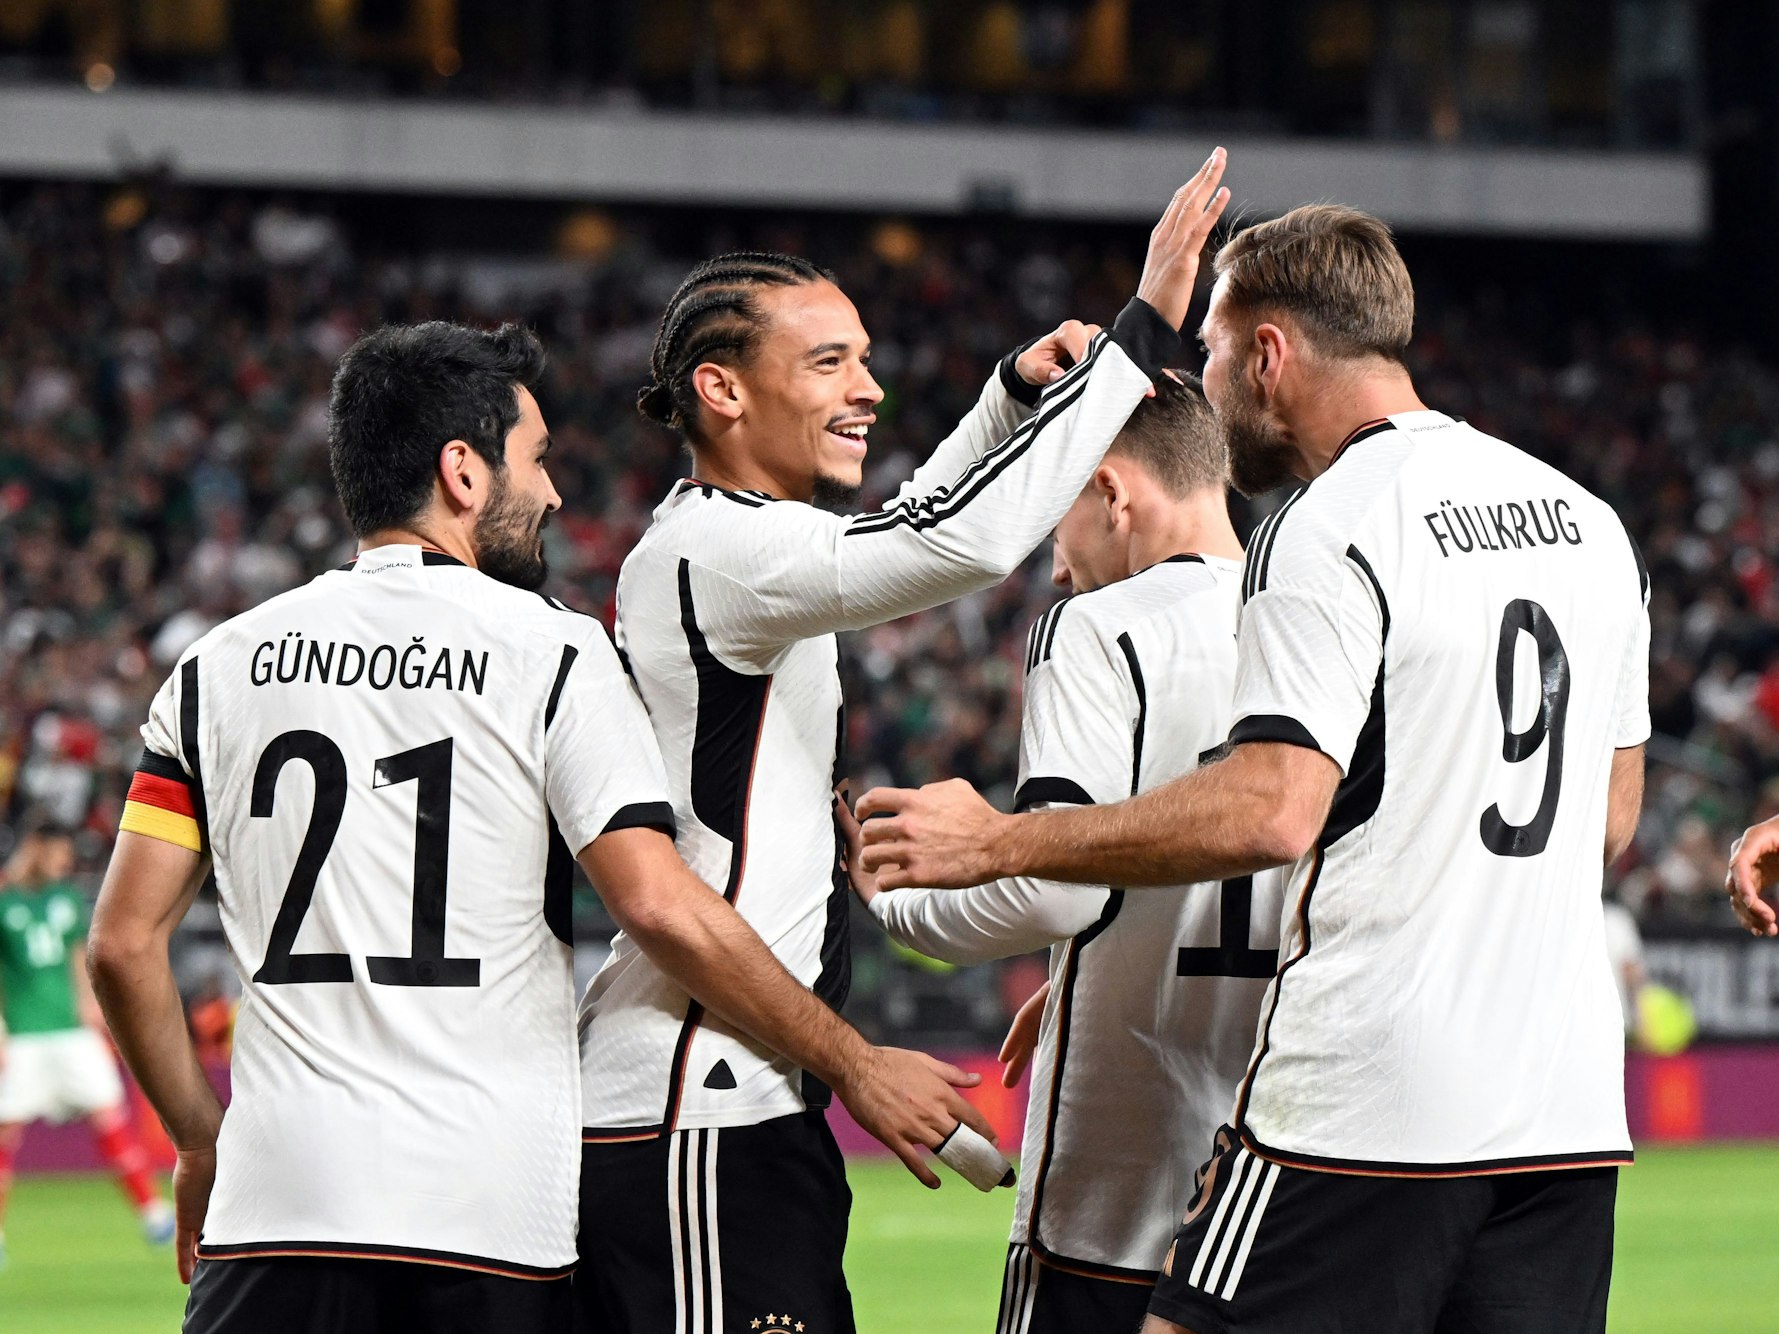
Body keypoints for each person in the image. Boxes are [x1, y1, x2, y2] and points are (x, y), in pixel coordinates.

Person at [85, 321, 994, 1334]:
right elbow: (653, 899)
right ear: (463, 473)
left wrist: (203, 1142)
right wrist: (854, 1060)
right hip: (490, 1219)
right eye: (539, 458)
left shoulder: (216, 665)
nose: (557, 492)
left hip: (274, 1212)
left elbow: (122, 943)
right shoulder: (554, 652)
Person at [857, 204, 1651, 1334]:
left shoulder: (1332, 519)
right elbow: (1608, 822)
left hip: (1371, 1099)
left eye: (1216, 352)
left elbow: (1276, 810)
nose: (1210, 382)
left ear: (1269, 354)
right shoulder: (1593, 523)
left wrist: (999, 841)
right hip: (1563, 1110)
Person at [575, 154, 1232, 1334]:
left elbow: (903, 521)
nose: (867, 386)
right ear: (721, 393)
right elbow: (955, 547)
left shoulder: (742, 545)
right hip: (693, 1108)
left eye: (867, 357)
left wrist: (1000, 401)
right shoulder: (720, 551)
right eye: (830, 362)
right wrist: (1138, 334)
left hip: (735, 1102)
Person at [846, 377, 1288, 1333]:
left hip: (1120, 1188)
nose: (1053, 569)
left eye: (1055, 526)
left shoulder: (1097, 627)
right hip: (1286, 1196)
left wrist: (895, 902)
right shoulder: (1319, 620)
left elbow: (1051, 896)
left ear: (1109, 492)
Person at [0, 820, 173, 1267]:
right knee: (6, 1134)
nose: (65, 862)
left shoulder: (64, 899)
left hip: (72, 1032)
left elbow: (79, 957)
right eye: (57, 853)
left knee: (109, 1118)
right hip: (24, 1035)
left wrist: (91, 1008)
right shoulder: (5, 903)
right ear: (34, 850)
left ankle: (153, 1214)